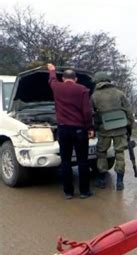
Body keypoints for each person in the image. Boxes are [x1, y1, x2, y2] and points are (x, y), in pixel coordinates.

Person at [47, 63, 94, 199]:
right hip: (80, 130)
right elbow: (87, 111)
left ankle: (68, 192)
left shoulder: (57, 87)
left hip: (63, 129)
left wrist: (52, 70)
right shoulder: (83, 90)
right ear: (76, 79)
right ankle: (84, 192)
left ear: (63, 79)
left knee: (66, 161)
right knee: (82, 161)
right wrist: (90, 127)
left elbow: (52, 80)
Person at [91, 71, 134, 191]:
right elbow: (128, 112)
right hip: (120, 129)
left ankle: (102, 180)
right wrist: (129, 127)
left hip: (104, 129)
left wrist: (95, 127)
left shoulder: (95, 96)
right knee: (120, 153)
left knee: (101, 153)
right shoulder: (119, 93)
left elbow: (92, 114)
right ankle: (119, 182)